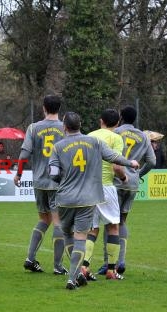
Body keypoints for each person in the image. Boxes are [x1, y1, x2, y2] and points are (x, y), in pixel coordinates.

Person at [48, 111, 139, 290]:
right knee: (82, 236)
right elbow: (114, 157)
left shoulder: (58, 147)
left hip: (65, 198)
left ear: (64, 127)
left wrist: (63, 181)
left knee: (68, 234)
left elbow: (53, 174)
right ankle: (73, 277)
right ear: (80, 125)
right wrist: (131, 163)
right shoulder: (95, 142)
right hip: (89, 198)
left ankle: (74, 275)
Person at [95, 106, 156, 275]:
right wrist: (138, 173)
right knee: (122, 221)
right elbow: (151, 161)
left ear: (120, 117)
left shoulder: (115, 132)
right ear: (135, 119)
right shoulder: (143, 136)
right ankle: (121, 261)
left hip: (114, 180)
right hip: (131, 183)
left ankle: (110, 263)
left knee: (110, 223)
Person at [13, 95, 67, 275]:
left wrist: (18, 174)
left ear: (44, 108)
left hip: (39, 181)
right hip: (58, 182)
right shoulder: (65, 128)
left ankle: (30, 258)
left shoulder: (33, 128)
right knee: (58, 222)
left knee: (44, 219)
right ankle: (58, 266)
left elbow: (23, 156)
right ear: (59, 108)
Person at [83, 109, 128, 281]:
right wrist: (124, 178)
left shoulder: (89, 135)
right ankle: (111, 270)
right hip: (107, 186)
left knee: (92, 228)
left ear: (100, 120)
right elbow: (117, 166)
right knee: (113, 227)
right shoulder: (116, 138)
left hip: (89, 187)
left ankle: (84, 267)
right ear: (117, 124)